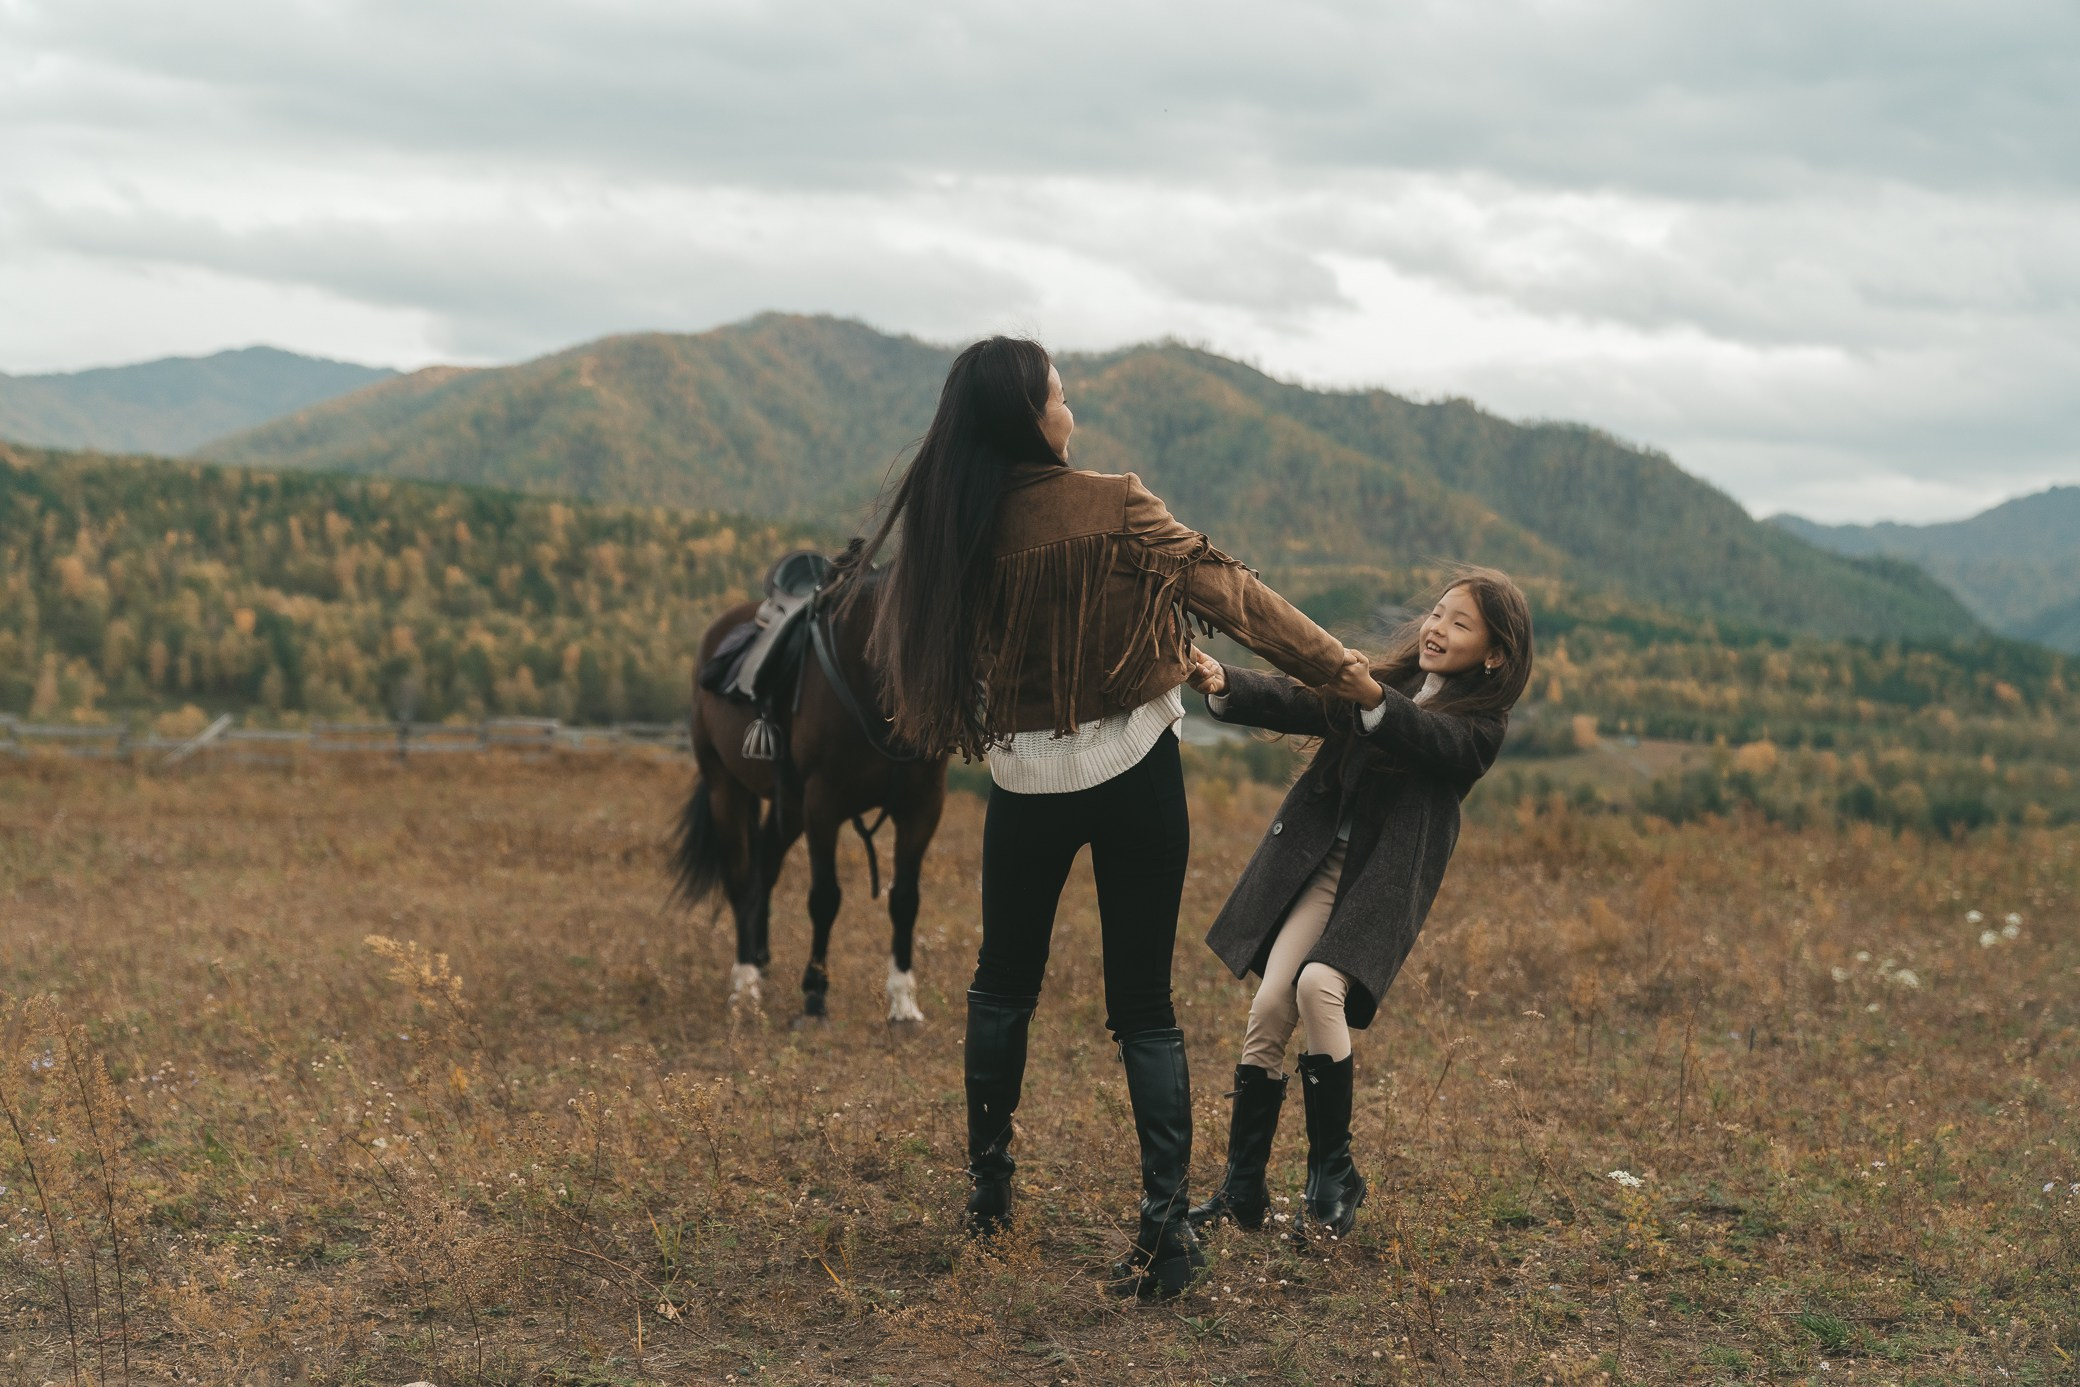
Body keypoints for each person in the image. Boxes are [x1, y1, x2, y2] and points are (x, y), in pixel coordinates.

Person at [855, 335, 1377, 1298]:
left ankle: (989, 1201)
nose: (1071, 411)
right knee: (1142, 1002)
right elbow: (1240, 600)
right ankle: (1165, 1234)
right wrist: (1351, 676)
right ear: (1028, 415)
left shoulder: (954, 522)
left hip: (1023, 783)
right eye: (1059, 395)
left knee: (1001, 985)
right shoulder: (1117, 501)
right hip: (1139, 769)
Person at [1183, 569, 1532, 1242]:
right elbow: (1307, 701)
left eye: (1460, 624)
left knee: (1320, 986)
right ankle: (1242, 1189)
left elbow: (1426, 740)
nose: (1436, 627)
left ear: (1494, 654)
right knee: (1268, 1008)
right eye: (1436, 613)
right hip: (1321, 867)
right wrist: (1224, 680)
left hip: (1381, 882)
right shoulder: (1390, 682)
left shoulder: (1481, 725)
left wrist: (1370, 693)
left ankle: (1332, 1173)